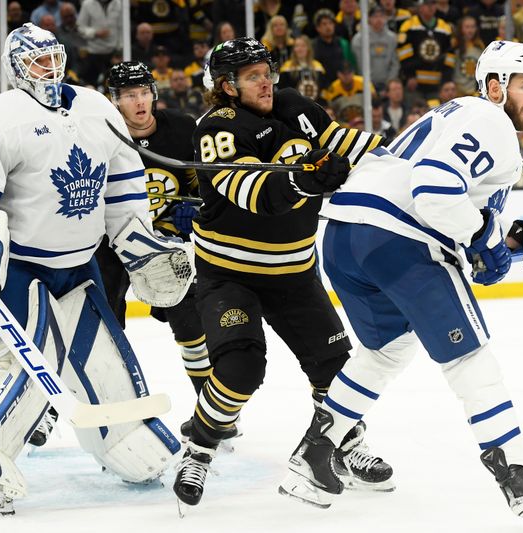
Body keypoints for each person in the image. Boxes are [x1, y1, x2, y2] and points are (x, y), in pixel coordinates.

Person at [279, 40, 523, 533]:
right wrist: (485, 240)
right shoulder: (491, 120)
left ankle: (315, 453)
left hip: (345, 236)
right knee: (471, 359)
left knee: (387, 350)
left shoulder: (458, 116)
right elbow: (436, 191)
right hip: (397, 238)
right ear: (496, 86)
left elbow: (466, 215)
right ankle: (521, 487)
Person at [0, 23, 191, 515]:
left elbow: (123, 185)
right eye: (36, 60)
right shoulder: (0, 115)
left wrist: (140, 246)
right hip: (21, 269)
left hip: (81, 265)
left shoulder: (97, 107)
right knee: (21, 369)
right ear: (16, 68)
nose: (49, 67)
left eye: (54, 56)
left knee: (106, 362)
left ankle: (126, 443)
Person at [173, 37, 393, 508]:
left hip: (295, 272)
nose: (265, 82)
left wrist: (410, 163)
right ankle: (199, 449)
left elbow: (357, 146)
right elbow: (250, 190)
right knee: (240, 369)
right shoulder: (217, 126)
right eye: (252, 75)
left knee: (335, 368)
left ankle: (341, 446)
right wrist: (306, 178)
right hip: (231, 275)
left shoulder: (295, 105)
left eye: (267, 71)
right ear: (226, 86)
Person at [96, 61, 211, 411]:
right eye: (130, 95)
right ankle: (75, 407)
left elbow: (201, 186)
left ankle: (212, 408)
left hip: (161, 238)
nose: (139, 102)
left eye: (144, 92)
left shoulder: (181, 128)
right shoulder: (99, 135)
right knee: (103, 325)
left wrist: (195, 208)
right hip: (109, 241)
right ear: (114, 100)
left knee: (188, 316)